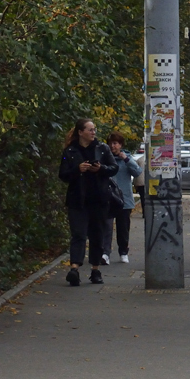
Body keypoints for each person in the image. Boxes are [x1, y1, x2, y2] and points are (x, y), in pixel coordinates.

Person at [58, 119, 118, 286]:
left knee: (96, 235)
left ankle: (95, 269)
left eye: (94, 130)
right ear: (80, 132)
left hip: (98, 199)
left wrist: (101, 169)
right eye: (90, 130)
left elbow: (114, 168)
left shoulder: (102, 149)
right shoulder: (70, 151)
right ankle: (74, 268)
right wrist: (78, 170)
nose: (93, 133)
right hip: (78, 199)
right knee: (78, 234)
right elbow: (63, 174)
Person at [103, 133, 142, 265]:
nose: (113, 146)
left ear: (121, 145)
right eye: (111, 143)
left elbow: (137, 172)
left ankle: (123, 252)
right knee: (106, 227)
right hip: (108, 199)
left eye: (115, 143)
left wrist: (126, 159)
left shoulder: (127, 158)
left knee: (123, 228)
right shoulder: (105, 158)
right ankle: (105, 253)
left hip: (124, 199)